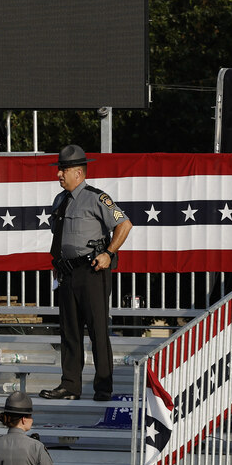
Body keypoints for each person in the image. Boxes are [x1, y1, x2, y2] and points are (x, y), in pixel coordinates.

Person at [40, 145, 133, 401]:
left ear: (79, 173)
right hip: (67, 273)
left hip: (92, 271)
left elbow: (124, 224)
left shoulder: (97, 197)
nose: (59, 174)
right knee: (69, 331)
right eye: (59, 169)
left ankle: (103, 387)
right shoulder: (60, 200)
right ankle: (70, 385)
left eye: (64, 170)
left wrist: (109, 253)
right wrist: (58, 264)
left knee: (97, 330)